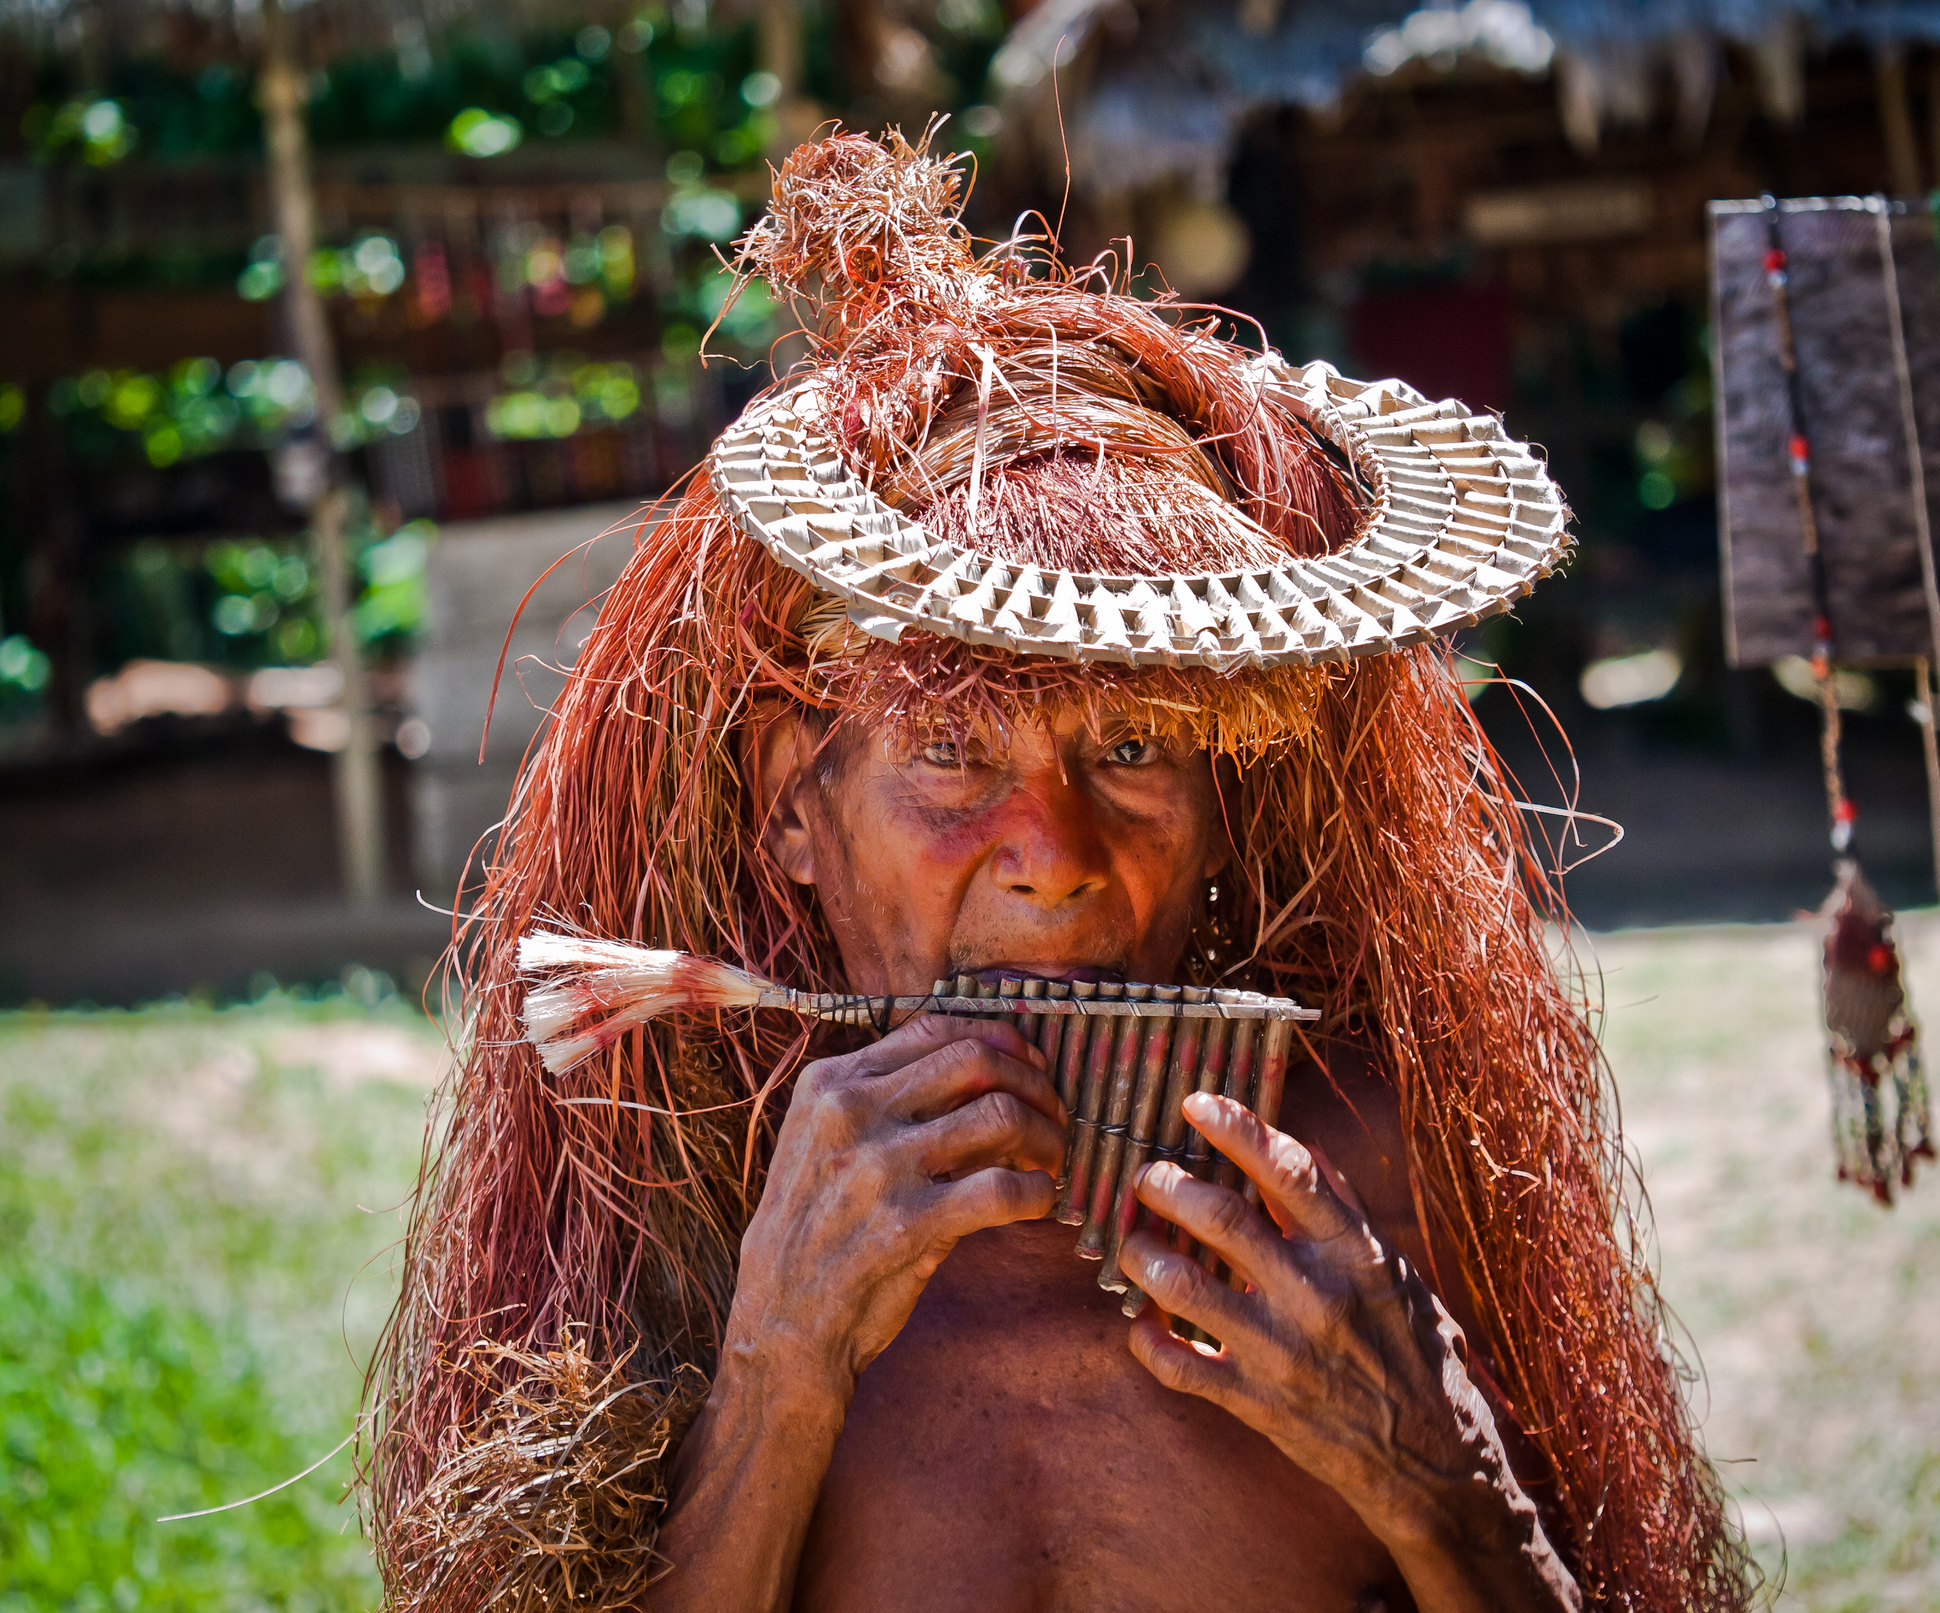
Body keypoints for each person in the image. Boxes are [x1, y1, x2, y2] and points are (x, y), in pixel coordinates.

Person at [365, 130, 1755, 1611]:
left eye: (1138, 745)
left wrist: (1445, 1486)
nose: (1055, 859)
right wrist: (774, 1377)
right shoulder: (681, 1217)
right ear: (792, 807)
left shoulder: (1371, 1206)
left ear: (1231, 795)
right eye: (955, 754)